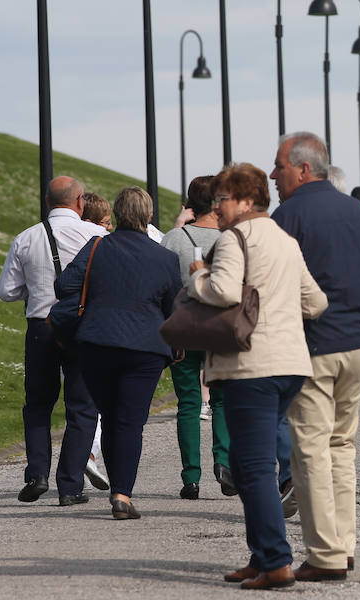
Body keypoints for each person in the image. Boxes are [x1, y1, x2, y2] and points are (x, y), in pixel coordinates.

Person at [189, 163, 328, 590]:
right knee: (260, 462)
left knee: (251, 468)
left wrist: (198, 277)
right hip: (290, 364)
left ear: (247, 200)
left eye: (223, 199)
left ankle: (275, 562)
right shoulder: (285, 240)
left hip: (252, 367)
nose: (218, 208)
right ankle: (260, 554)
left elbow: (225, 291)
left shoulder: (236, 239)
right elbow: (316, 302)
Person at [270, 131, 360, 581]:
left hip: (312, 346)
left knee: (310, 451)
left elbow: (274, 286)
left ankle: (324, 555)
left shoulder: (287, 217)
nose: (273, 174)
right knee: (342, 445)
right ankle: (344, 546)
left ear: (304, 169)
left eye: (279, 166)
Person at [57, 186, 181, 519]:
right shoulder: (166, 259)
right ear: (149, 216)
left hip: (97, 342)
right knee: (129, 423)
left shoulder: (96, 247)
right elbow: (174, 308)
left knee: (110, 418)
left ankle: (119, 490)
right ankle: (122, 495)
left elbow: (64, 286)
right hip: (145, 348)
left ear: (118, 212)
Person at [0, 176, 107, 506]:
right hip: (83, 326)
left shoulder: (26, 237)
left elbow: (5, 291)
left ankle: (37, 474)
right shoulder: (97, 235)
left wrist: (36, 288)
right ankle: (70, 486)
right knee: (82, 408)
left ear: (47, 202)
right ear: (80, 201)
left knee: (39, 405)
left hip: (41, 327)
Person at [160, 176, 235, 500]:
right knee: (220, 401)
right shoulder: (231, 238)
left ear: (191, 204)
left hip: (183, 328)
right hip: (219, 330)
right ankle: (224, 462)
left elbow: (161, 285)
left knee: (189, 403)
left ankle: (191, 477)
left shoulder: (174, 238)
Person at [80, 192, 113, 491]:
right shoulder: (99, 244)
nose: (109, 228)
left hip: (57, 326)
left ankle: (82, 457)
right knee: (98, 402)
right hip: (95, 328)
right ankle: (88, 452)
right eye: (105, 222)